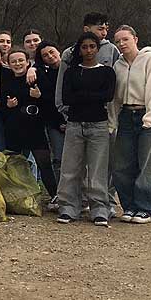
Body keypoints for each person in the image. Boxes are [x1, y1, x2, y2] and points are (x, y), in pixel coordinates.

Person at [55, 32, 116, 226]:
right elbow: (67, 98)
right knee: (70, 168)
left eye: (92, 46)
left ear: (97, 49)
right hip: (75, 125)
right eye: (84, 47)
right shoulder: (71, 72)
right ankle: (68, 207)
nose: (88, 50)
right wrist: (92, 95)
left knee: (97, 169)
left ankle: (99, 208)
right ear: (79, 50)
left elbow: (107, 95)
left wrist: (82, 95)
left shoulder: (107, 72)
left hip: (98, 126)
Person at [109, 25, 151, 224]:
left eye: (125, 39)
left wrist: (150, 118)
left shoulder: (150, 59)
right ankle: (130, 206)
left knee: (148, 164)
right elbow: (115, 97)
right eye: (118, 41)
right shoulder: (118, 66)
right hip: (126, 116)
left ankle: (147, 208)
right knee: (122, 165)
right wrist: (112, 121)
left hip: (147, 115)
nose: (121, 44)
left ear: (135, 39)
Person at [3, 49, 58, 197]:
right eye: (13, 61)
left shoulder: (36, 76)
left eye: (21, 60)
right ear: (9, 64)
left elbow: (51, 101)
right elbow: (2, 106)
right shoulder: (6, 79)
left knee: (44, 164)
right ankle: (17, 198)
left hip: (35, 128)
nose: (18, 64)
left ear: (28, 62)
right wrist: (8, 105)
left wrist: (39, 96)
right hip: (14, 128)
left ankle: (54, 196)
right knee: (14, 166)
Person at [34, 40, 67, 208]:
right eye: (45, 55)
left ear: (58, 51)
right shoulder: (44, 74)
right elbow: (48, 102)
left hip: (75, 120)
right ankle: (62, 195)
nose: (50, 56)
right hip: (55, 123)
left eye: (51, 52)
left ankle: (82, 196)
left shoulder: (71, 69)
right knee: (58, 159)